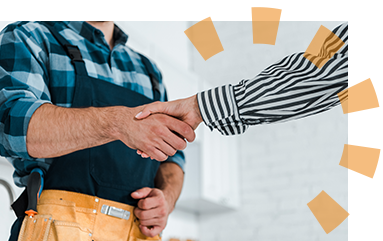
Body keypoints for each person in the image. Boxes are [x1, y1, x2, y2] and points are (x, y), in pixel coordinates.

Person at [0, 21, 196, 241]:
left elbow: (173, 155)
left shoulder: (148, 71)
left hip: (138, 233)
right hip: (57, 230)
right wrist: (117, 123)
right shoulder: (32, 36)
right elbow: (12, 126)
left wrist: (167, 199)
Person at [135, 22, 348, 159]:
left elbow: (326, 73)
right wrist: (198, 107)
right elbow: (326, 70)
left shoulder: (149, 69)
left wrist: (199, 107)